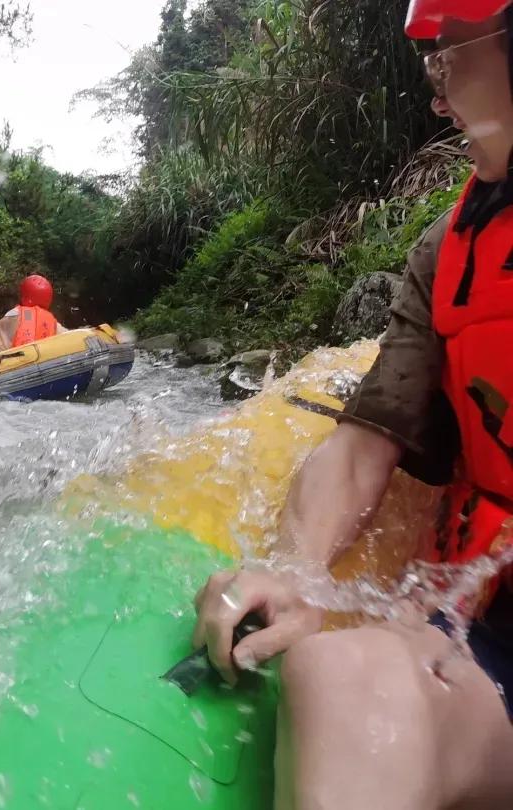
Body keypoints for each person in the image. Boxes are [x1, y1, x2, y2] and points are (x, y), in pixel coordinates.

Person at [191, 3, 513, 807]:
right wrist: (297, 568)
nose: (438, 99)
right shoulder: (448, 251)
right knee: (345, 673)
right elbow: (367, 442)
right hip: (485, 625)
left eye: (450, 63)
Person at [0, 274, 67, 351]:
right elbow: (67, 335)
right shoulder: (50, 320)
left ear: (24, 294)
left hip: (16, 359)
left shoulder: (15, 313)